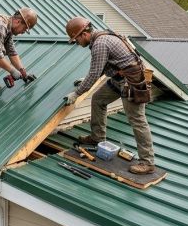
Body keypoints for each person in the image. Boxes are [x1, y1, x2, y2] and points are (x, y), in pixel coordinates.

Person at [63, 17, 156, 175]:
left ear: (83, 34)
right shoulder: (102, 37)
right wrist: (84, 80)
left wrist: (77, 93)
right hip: (119, 78)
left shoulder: (100, 44)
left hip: (131, 81)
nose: (77, 43)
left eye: (76, 40)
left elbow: (94, 74)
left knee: (137, 120)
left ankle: (147, 162)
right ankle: (97, 137)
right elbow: (100, 68)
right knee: (98, 99)